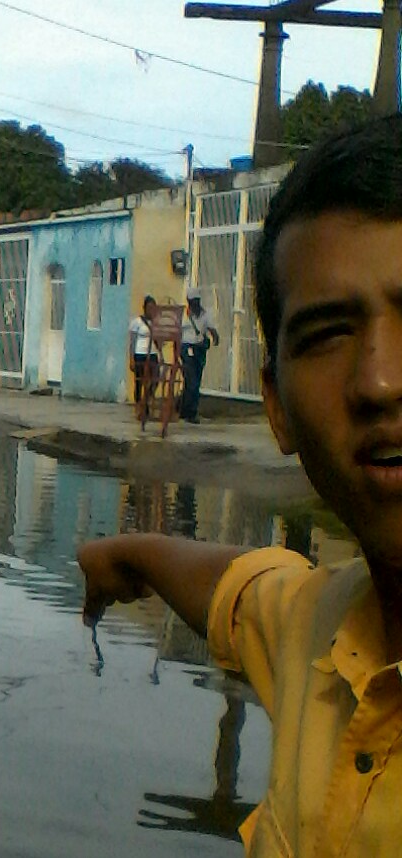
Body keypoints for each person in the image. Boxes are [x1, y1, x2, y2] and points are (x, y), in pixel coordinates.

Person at [78, 114, 402, 857]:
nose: (382, 380)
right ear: (278, 408)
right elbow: (241, 590)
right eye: (328, 335)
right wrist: (126, 556)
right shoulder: (319, 628)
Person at [179, 286, 220, 423]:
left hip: (199, 349)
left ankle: (185, 410)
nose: (194, 304)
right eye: (192, 301)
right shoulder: (183, 315)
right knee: (192, 381)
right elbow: (177, 333)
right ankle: (190, 412)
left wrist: (215, 338)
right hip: (187, 348)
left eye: (196, 301)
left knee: (195, 379)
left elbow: (212, 329)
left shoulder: (204, 314)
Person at [128, 295, 159, 419]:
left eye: (153, 308)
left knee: (155, 379)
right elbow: (132, 341)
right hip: (140, 354)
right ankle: (139, 407)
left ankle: (146, 401)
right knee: (139, 381)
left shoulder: (156, 322)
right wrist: (131, 358)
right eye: (149, 307)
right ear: (144, 308)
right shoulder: (137, 322)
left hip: (153, 354)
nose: (151, 310)